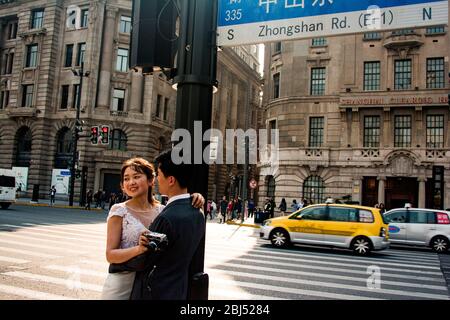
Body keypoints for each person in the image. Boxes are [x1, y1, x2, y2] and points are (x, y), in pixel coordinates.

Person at [101, 157, 204, 300]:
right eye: (126, 179)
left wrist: (194, 197)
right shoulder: (118, 211)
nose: (131, 182)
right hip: (122, 282)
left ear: (151, 180)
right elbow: (110, 254)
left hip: (149, 283)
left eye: (136, 177)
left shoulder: (163, 210)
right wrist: (138, 249)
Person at [130, 149, 206, 300]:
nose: (157, 179)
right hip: (179, 289)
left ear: (171, 180)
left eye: (158, 174)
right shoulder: (198, 212)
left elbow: (145, 260)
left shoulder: (166, 218)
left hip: (156, 291)